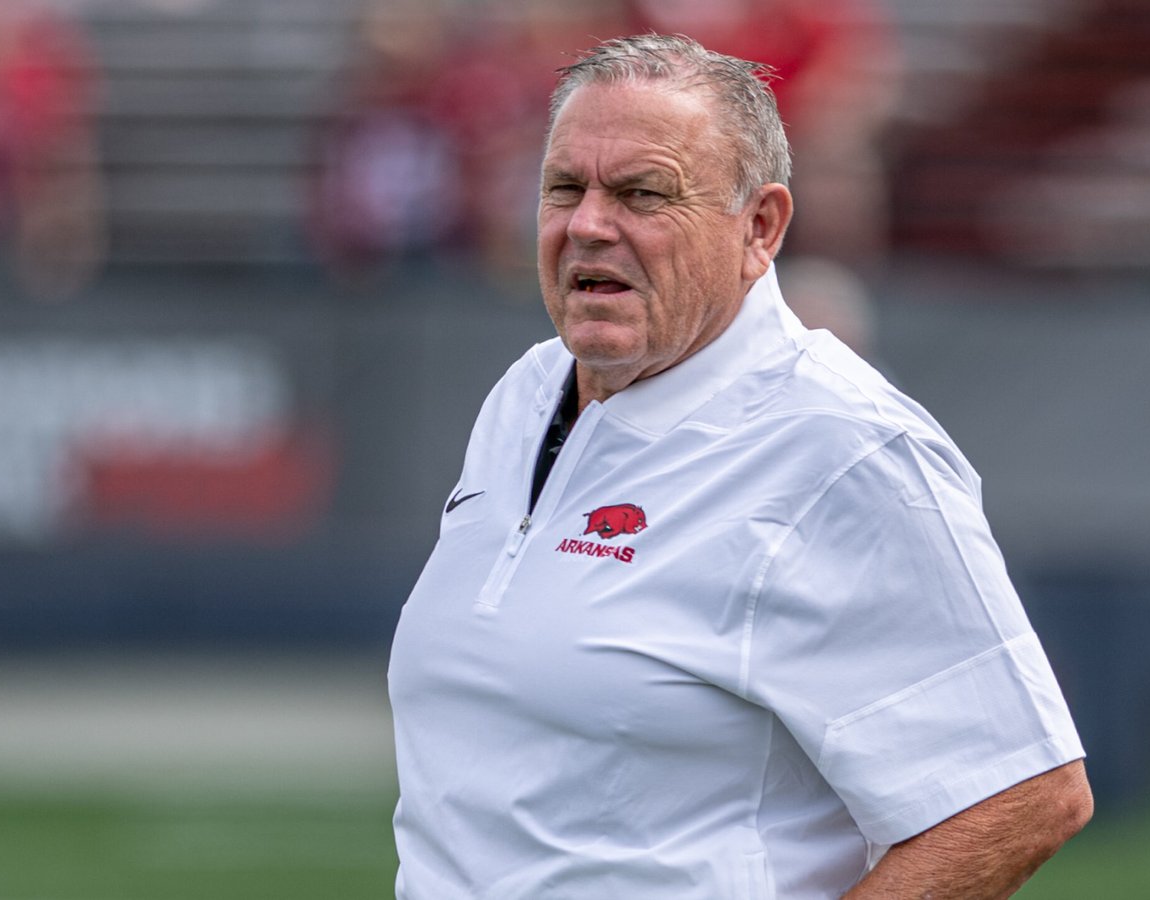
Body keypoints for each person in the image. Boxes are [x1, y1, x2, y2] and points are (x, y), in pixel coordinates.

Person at [387, 34, 1092, 899]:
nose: (588, 224)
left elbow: (1021, 792)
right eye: (565, 188)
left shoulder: (845, 447)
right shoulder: (526, 392)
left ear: (760, 227)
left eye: (643, 193)